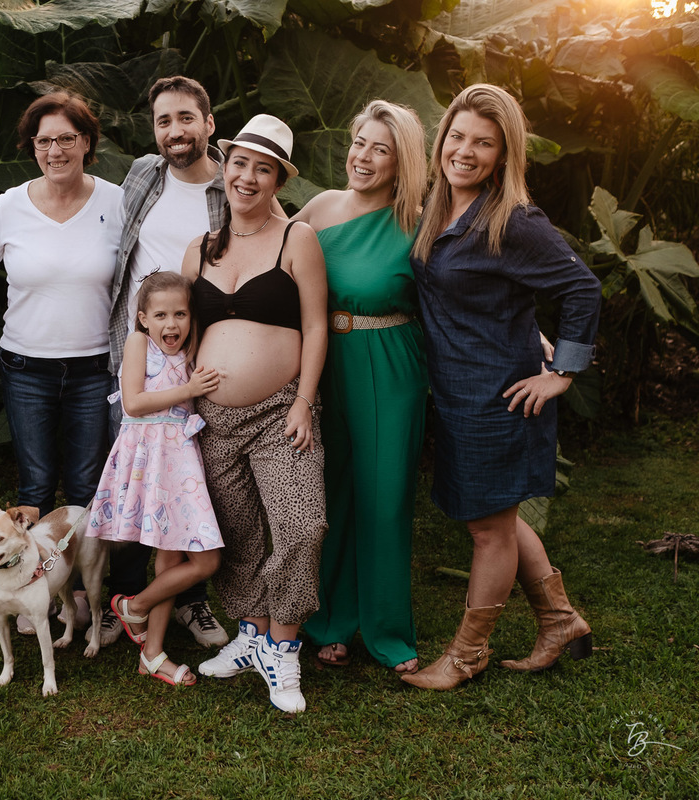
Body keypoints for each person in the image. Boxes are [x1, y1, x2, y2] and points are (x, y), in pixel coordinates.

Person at [401, 84, 601, 691]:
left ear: (503, 153)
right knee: (498, 518)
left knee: (488, 527)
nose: (465, 151)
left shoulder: (514, 219)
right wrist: (527, 323)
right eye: (457, 137)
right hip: (458, 389)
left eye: (483, 143)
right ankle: (560, 620)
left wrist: (560, 372)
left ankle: (466, 655)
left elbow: (582, 289)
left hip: (501, 395)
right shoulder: (439, 206)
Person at [183, 115, 329, 713]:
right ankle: (251, 637)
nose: (247, 176)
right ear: (225, 166)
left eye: (262, 168)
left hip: (280, 414)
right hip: (210, 416)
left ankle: (285, 653)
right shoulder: (200, 247)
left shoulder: (299, 238)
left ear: (277, 180)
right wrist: (180, 403)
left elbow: (318, 325)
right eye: (240, 163)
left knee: (301, 524)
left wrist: (302, 402)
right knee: (237, 533)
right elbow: (180, 329)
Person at [292, 100, 428, 674]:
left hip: (390, 364)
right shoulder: (321, 207)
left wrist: (534, 334)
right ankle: (330, 622)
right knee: (330, 491)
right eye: (359, 143)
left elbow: (470, 290)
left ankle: (389, 632)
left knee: (385, 497)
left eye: (380, 149)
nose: (363, 158)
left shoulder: (421, 219)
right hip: (324, 362)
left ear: (402, 163)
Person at [100, 75, 230, 649]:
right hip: (139, 351)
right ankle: (125, 600)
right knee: (138, 489)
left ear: (208, 123)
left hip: (193, 353)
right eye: (163, 121)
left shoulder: (234, 186)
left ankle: (187, 604)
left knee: (190, 491)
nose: (174, 131)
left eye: (184, 118)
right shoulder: (142, 175)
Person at [0, 92, 122, 520]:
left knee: (86, 485)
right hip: (25, 368)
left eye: (67, 139)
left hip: (95, 368)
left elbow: (146, 272)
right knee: (34, 484)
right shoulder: (11, 204)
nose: (55, 151)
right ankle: (32, 580)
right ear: (32, 147)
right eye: (43, 141)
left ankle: (78, 585)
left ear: (88, 142)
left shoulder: (117, 201)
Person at [88, 271, 223, 685]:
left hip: (181, 460)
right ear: (143, 318)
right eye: (161, 315)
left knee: (177, 557)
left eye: (180, 314)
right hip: (150, 459)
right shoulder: (137, 343)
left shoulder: (192, 346)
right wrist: (189, 390)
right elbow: (133, 401)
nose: (172, 324)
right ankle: (137, 613)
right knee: (201, 559)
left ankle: (149, 645)